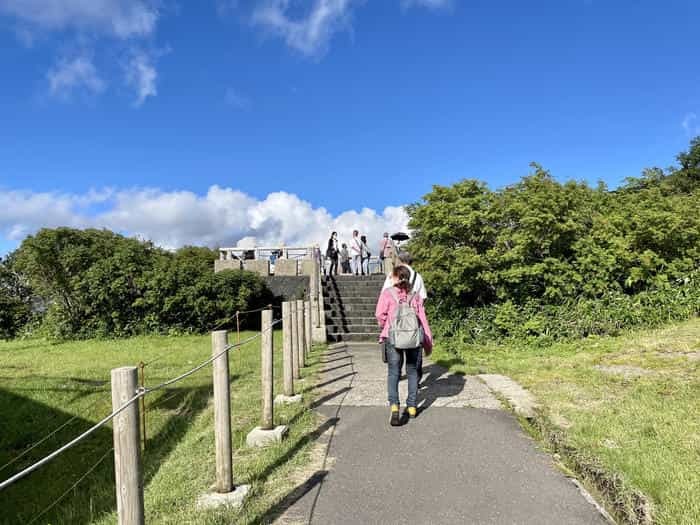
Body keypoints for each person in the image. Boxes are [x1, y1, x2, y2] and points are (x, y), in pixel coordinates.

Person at [376, 265, 433, 426]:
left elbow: (379, 315)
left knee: (394, 372)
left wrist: (385, 326)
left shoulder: (387, 294)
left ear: (395, 277)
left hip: (392, 337)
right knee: (413, 371)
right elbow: (422, 320)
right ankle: (413, 406)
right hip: (414, 339)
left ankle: (394, 407)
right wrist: (428, 341)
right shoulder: (415, 296)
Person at [382, 251, 428, 384]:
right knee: (414, 352)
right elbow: (423, 297)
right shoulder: (418, 277)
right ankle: (416, 380)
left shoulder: (393, 275)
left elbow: (385, 294)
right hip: (413, 321)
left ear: (399, 260)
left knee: (397, 348)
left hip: (394, 320)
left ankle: (397, 374)